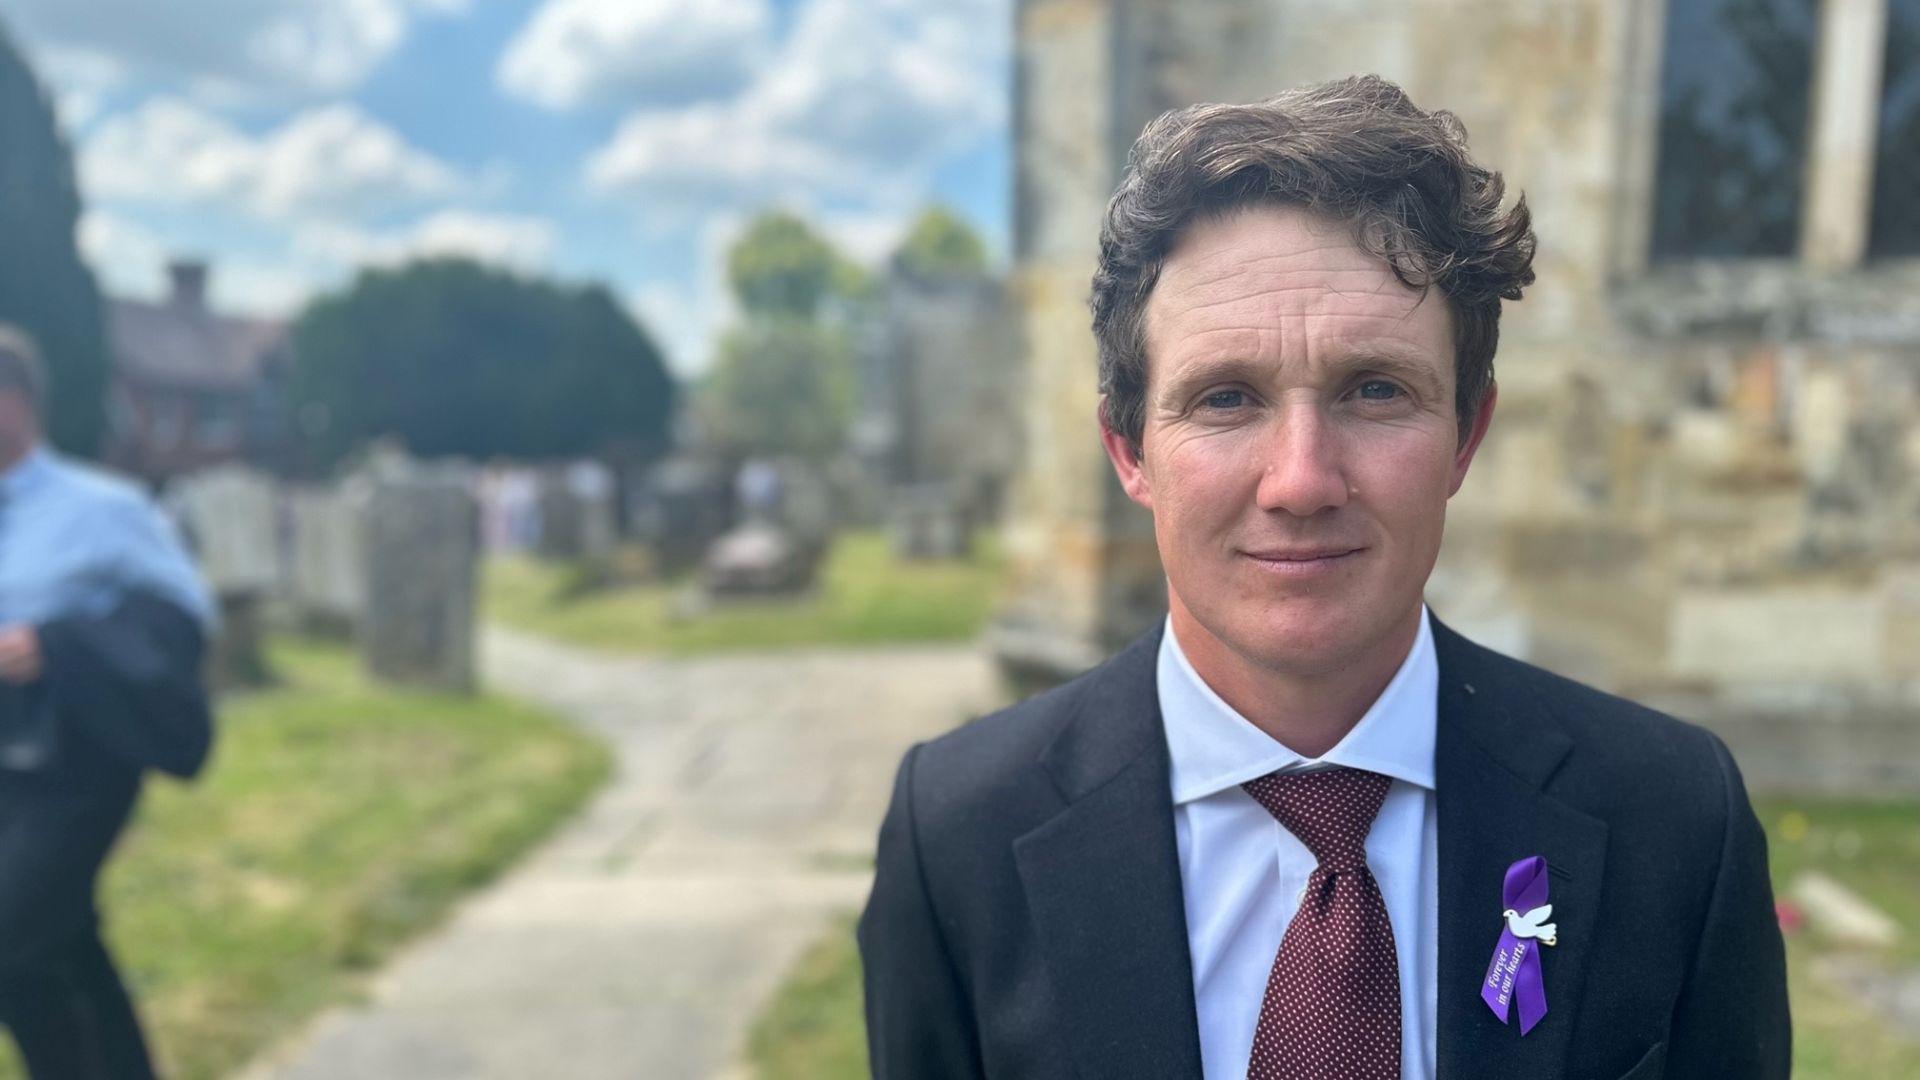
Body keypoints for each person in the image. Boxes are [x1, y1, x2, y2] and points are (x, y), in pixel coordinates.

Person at [859, 76, 1789, 1080]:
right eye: (1226, 397)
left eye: (1375, 388)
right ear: (1129, 449)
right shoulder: (958, 837)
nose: (1301, 480)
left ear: (1465, 436)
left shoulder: (1675, 821)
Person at [0, 324, 216, 1078]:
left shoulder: (104, 507)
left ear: (18, 402)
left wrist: (56, 646)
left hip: (76, 760)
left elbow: (183, 621)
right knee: (63, 937)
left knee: (13, 944)